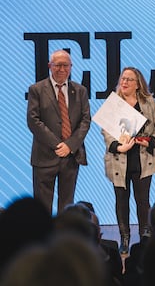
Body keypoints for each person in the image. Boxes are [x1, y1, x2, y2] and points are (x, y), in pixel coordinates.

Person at [101, 67, 155, 254]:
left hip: (143, 160)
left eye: (129, 79)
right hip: (119, 159)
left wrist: (150, 141)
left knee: (142, 201)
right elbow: (106, 131)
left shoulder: (149, 102)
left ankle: (145, 237)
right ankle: (125, 238)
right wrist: (118, 147)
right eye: (123, 78)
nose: (125, 82)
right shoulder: (113, 103)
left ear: (138, 84)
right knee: (121, 200)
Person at [27, 49, 91, 215]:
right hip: (45, 156)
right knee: (41, 208)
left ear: (71, 67)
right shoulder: (37, 89)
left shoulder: (80, 91)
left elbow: (85, 121)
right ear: (50, 66)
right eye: (58, 65)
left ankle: (63, 239)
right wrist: (57, 145)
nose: (62, 69)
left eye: (66, 65)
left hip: (70, 157)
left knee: (67, 206)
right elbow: (33, 121)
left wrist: (69, 146)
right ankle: (43, 239)